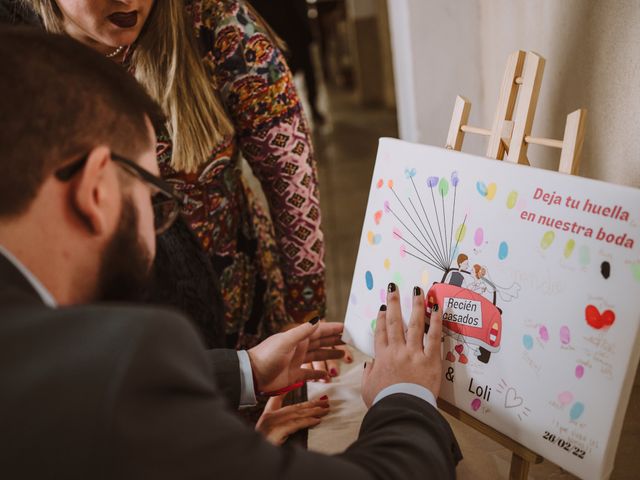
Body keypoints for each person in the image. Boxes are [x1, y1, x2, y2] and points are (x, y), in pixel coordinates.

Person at [0, 27, 461, 479]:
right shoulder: (126, 361)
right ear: (95, 191)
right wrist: (405, 396)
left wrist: (247, 368)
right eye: (153, 195)